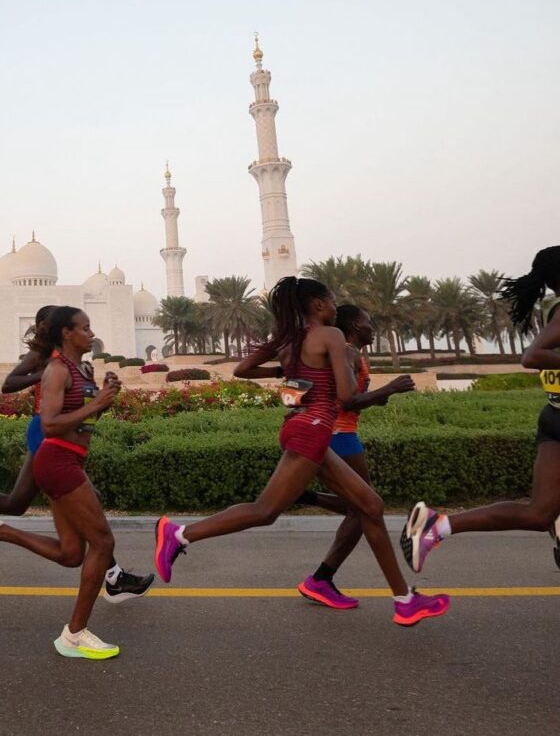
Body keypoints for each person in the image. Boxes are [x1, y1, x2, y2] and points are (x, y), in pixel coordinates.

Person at [153, 276, 450, 627]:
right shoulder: (332, 336)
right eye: (333, 300)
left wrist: (284, 368)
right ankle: (179, 534)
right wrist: (390, 390)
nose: (336, 307)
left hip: (301, 426)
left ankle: (405, 601)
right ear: (319, 305)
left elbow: (242, 369)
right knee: (265, 511)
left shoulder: (289, 339)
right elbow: (346, 398)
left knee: (370, 506)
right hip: (312, 430)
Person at [0, 304, 153, 603]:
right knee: (80, 505)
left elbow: (83, 407)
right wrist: (42, 374)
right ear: (57, 329)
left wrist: (98, 393)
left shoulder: (74, 362)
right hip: (45, 432)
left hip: (60, 436)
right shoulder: (46, 359)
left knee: (22, 504)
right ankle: (113, 578)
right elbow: (8, 385)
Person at [0, 306, 123, 659]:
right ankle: (75, 635)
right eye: (85, 328)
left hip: (69, 459)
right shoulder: (57, 370)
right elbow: (49, 424)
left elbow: (82, 417)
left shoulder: (82, 369)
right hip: (57, 459)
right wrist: (97, 406)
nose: (91, 334)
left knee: (70, 553)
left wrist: (105, 396)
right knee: (104, 542)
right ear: (67, 333)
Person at [401, 246, 560, 573]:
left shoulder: (553, 308)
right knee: (541, 513)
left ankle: (438, 525)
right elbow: (532, 356)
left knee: (539, 513)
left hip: (553, 416)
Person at [296, 304, 415, 609]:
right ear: (353, 326)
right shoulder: (347, 352)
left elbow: (353, 400)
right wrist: (391, 387)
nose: (372, 327)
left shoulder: (353, 354)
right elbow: (346, 403)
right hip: (339, 436)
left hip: (340, 434)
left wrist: (379, 397)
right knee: (365, 509)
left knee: (360, 507)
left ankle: (309, 499)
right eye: (367, 322)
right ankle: (321, 579)